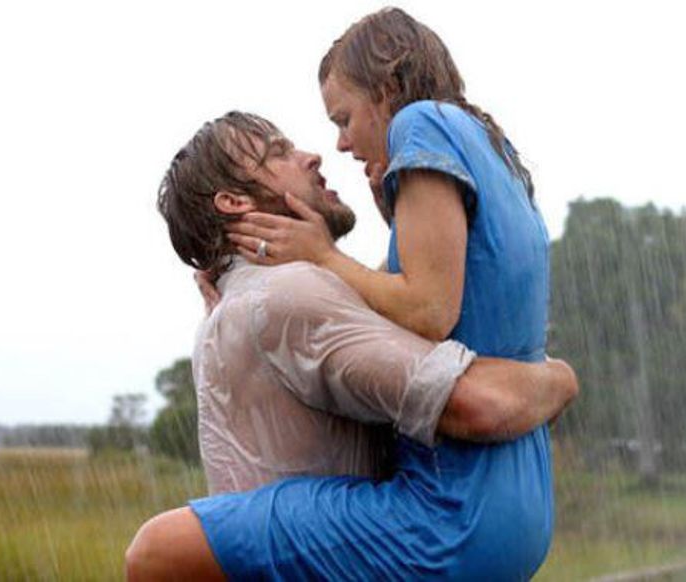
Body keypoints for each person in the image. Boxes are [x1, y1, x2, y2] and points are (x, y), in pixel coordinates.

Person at [127, 111, 576, 581]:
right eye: (278, 153)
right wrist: (559, 377)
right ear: (235, 201)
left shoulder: (232, 308)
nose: (312, 156)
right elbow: (478, 406)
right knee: (163, 545)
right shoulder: (285, 296)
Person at [223, 6, 557, 580]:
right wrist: (393, 224)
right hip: (524, 490)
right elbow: (469, 296)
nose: (341, 143)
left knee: (173, 545)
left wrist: (324, 256)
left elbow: (428, 311)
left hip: (455, 503)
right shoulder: (489, 144)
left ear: (389, 86)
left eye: (345, 118)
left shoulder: (420, 123)